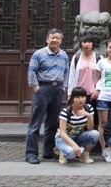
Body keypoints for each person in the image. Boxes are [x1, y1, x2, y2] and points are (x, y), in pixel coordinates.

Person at [25, 28, 69, 165]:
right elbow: (32, 72)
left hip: (57, 90)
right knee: (36, 122)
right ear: (47, 39)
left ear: (61, 40)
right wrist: (36, 88)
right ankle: (31, 153)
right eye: (52, 37)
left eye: (57, 38)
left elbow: (66, 72)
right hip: (43, 88)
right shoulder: (39, 54)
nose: (55, 40)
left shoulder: (64, 55)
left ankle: (48, 151)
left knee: (52, 122)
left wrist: (64, 87)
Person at [93, 39, 111, 157]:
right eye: (110, 47)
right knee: (103, 123)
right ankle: (103, 148)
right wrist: (97, 89)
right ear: (106, 49)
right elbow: (96, 78)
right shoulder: (101, 62)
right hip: (103, 96)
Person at [55, 86, 99, 164]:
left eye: (83, 97)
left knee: (95, 133)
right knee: (71, 154)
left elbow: (90, 128)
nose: (81, 100)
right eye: (77, 97)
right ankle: (63, 152)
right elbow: (62, 133)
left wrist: (88, 116)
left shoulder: (88, 108)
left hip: (78, 137)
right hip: (64, 139)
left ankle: (84, 154)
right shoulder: (66, 111)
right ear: (72, 98)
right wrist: (74, 145)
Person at [67, 34, 100, 117]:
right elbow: (72, 76)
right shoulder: (76, 58)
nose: (86, 44)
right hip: (78, 93)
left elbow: (101, 77)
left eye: (89, 42)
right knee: (77, 117)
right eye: (84, 42)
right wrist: (70, 93)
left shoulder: (99, 58)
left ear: (93, 44)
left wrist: (98, 90)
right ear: (81, 44)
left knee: (92, 117)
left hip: (93, 94)